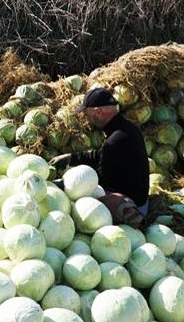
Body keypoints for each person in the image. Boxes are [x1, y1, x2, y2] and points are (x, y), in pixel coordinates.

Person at [49, 88, 150, 228]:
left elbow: (100, 182)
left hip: (134, 205)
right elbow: (102, 154)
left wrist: (68, 185)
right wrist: (71, 158)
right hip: (141, 198)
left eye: (87, 114)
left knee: (88, 198)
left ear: (98, 112)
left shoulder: (116, 140)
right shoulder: (127, 129)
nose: (87, 119)